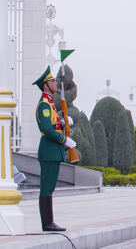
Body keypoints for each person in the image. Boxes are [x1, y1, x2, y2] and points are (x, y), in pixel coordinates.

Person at [33, 66, 75, 231]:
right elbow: (47, 130)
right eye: (51, 81)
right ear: (45, 85)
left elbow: (53, 125)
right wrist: (65, 140)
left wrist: (63, 123)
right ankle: (47, 223)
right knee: (46, 187)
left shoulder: (49, 103)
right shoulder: (44, 105)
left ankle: (49, 222)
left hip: (53, 151)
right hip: (49, 150)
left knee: (49, 187)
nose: (55, 83)